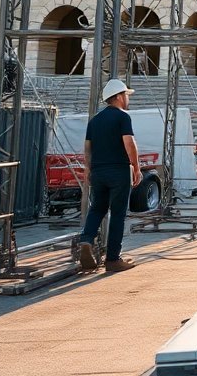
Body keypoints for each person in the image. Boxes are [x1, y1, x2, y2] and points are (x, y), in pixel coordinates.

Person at [76, 78, 140, 273]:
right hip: (118, 170)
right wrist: (136, 168)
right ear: (119, 97)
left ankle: (86, 240)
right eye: (126, 96)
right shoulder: (123, 117)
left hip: (98, 171)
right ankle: (113, 259)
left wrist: (89, 169)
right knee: (118, 214)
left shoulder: (94, 120)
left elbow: (87, 148)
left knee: (97, 209)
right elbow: (129, 143)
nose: (127, 100)